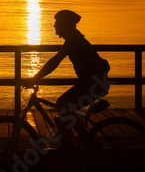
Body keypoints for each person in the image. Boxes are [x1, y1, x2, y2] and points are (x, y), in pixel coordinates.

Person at [23, 10, 110, 149]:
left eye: (57, 23)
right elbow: (55, 61)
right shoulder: (73, 38)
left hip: (94, 84)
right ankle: (83, 141)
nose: (54, 26)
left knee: (62, 104)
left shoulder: (73, 39)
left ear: (65, 25)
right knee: (64, 107)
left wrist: (35, 78)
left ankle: (73, 147)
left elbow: (55, 61)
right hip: (93, 82)